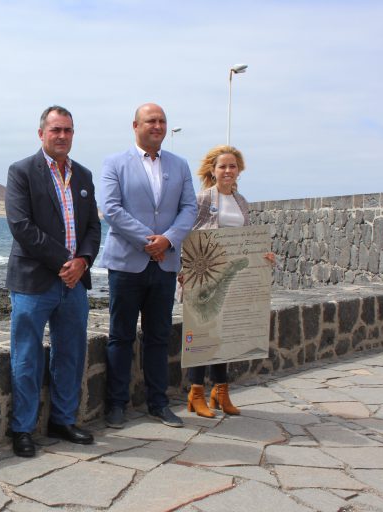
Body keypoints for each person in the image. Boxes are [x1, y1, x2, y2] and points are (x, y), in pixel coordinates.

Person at [5, 105, 102, 457]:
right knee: (27, 357)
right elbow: (21, 227)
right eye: (56, 130)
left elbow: (93, 226)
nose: (62, 136)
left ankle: (63, 420)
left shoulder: (84, 176)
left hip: (74, 284)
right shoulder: (21, 172)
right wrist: (67, 261)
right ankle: (23, 429)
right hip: (34, 283)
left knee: (71, 355)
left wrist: (84, 261)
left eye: (68, 130)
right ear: (41, 133)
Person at [99, 103, 197, 429]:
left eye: (162, 121)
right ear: (135, 125)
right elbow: (111, 209)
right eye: (150, 121)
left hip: (165, 264)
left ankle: (159, 403)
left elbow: (188, 209)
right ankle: (116, 404)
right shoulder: (115, 163)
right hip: (127, 265)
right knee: (120, 337)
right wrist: (148, 240)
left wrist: (167, 240)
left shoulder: (180, 165)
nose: (157, 126)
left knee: (158, 336)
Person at [184, 145, 275, 417]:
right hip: (206, 276)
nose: (227, 171)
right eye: (222, 166)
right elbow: (187, 234)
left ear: (239, 170)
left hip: (233, 277)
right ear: (213, 170)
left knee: (227, 337)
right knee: (203, 334)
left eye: (232, 166)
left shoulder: (242, 201)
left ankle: (220, 392)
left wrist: (263, 255)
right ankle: (196, 392)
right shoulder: (201, 199)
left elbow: (246, 240)